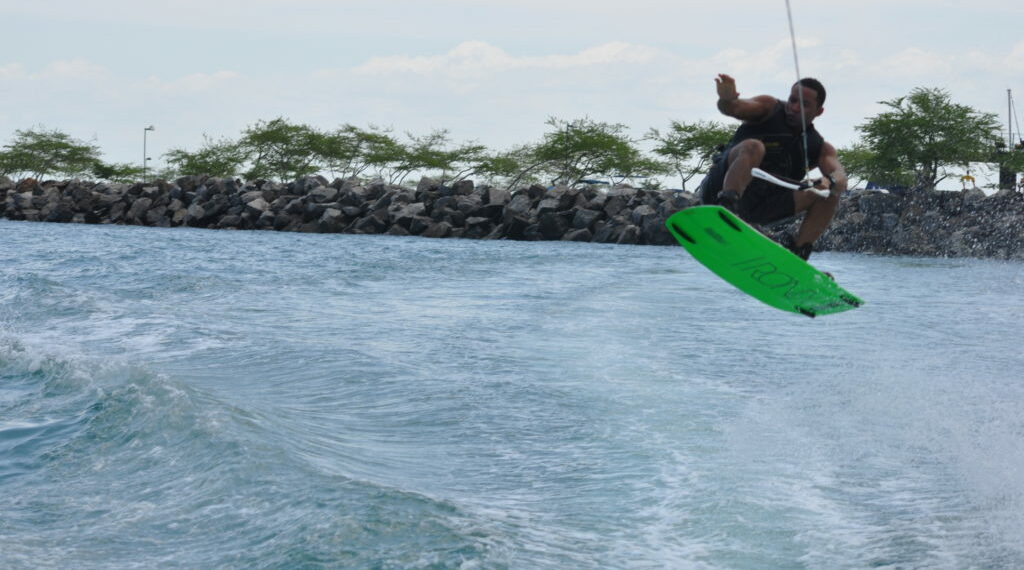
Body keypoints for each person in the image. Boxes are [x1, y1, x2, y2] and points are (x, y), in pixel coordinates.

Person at [699, 73, 847, 260]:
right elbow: (734, 108)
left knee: (829, 194)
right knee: (754, 146)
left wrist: (830, 181)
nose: (793, 108)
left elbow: (840, 176)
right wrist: (726, 100)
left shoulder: (818, 146)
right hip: (718, 190)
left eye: (804, 105)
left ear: (819, 111)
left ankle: (798, 255)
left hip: (762, 207)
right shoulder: (768, 109)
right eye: (792, 100)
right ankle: (726, 211)